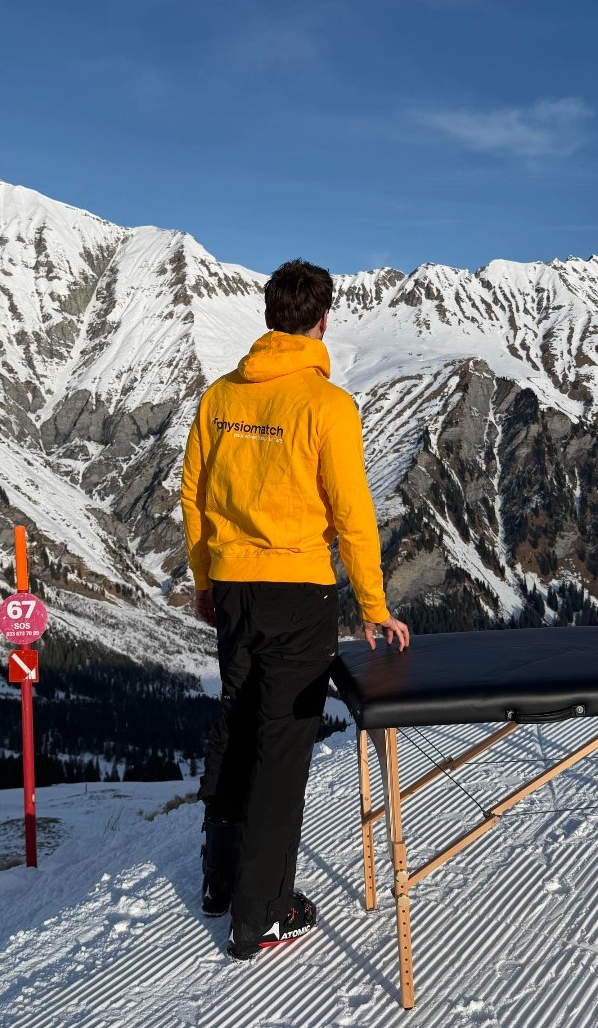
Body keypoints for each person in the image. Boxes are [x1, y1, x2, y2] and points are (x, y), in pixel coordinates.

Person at [180, 258, 409, 961]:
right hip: (299, 593)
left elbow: (193, 494)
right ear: (322, 319)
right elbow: (351, 516)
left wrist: (204, 578)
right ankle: (262, 915)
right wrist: (372, 604)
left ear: (269, 317)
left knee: (238, 728)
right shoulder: (325, 405)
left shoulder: (220, 397)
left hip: (234, 592)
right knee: (282, 750)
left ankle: (220, 879)